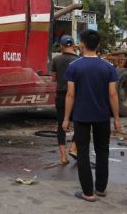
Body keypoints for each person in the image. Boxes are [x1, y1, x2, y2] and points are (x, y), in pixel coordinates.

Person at [62, 29, 122, 202]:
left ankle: (88, 192)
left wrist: (66, 118)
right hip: (103, 117)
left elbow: (70, 95)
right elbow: (113, 95)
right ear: (99, 45)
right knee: (102, 151)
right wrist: (117, 119)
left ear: (82, 44)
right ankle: (101, 189)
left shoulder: (74, 67)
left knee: (83, 153)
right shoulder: (108, 67)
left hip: (81, 117)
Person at [51, 35, 78, 164]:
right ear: (73, 45)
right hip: (76, 96)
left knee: (61, 125)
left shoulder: (56, 60)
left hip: (61, 96)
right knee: (80, 123)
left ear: (61, 46)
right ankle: (73, 147)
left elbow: (53, 79)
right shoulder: (78, 61)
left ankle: (63, 157)